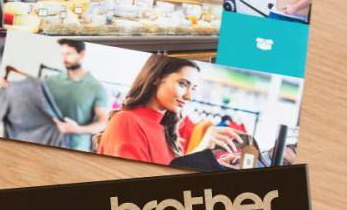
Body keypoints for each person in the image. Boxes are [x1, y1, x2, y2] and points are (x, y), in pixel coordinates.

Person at [97, 55, 242, 166]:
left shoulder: (166, 129)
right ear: (156, 78)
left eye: (193, 88)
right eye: (183, 84)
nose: (189, 96)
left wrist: (211, 165)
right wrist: (200, 150)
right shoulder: (127, 121)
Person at [44, 39, 109, 152]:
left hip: (76, 149)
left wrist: (77, 129)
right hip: (46, 143)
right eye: (62, 54)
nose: (64, 59)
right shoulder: (50, 82)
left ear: (81, 54)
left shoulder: (97, 88)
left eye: (68, 54)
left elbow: (103, 123)